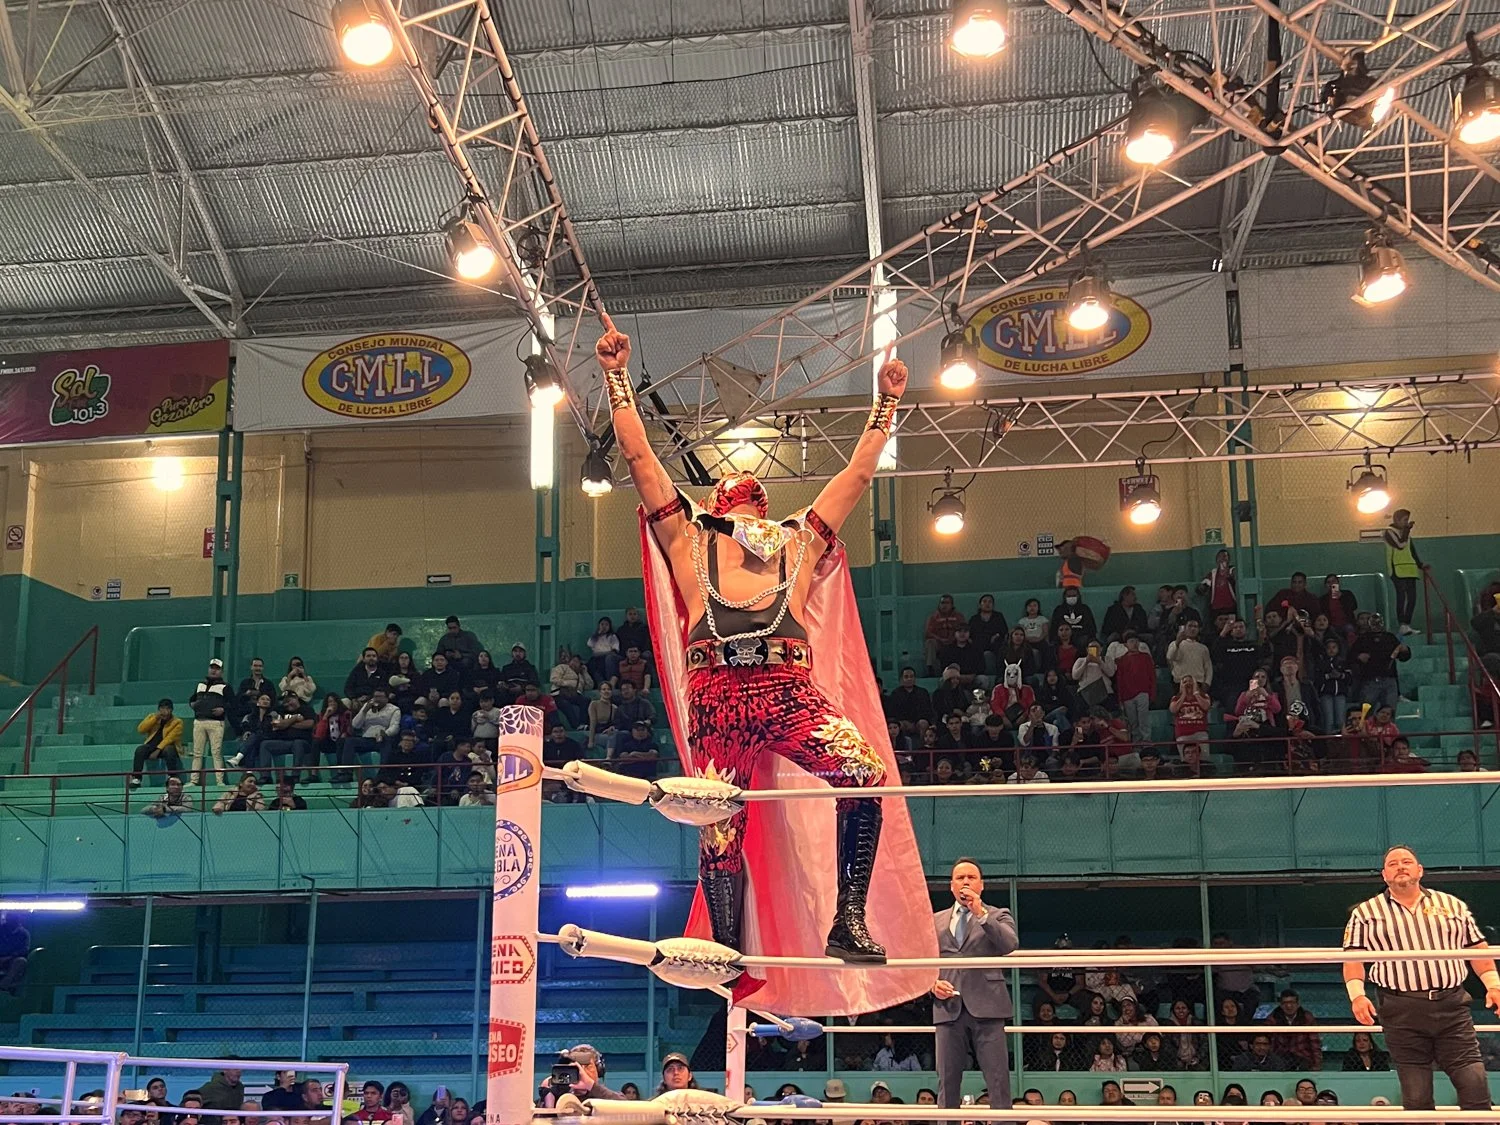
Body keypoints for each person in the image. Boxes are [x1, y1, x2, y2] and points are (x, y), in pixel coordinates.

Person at [602, 322, 931, 1014]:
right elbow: (637, 457)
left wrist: (886, 403)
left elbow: (858, 474)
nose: (742, 493)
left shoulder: (798, 541)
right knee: (719, 824)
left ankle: (848, 918)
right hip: (720, 694)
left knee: (863, 771)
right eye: (733, 492)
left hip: (786, 690)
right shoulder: (688, 538)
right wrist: (616, 378)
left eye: (751, 493)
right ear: (718, 506)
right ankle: (728, 953)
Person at [1343, 844, 1499, 1112]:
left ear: (1420, 870)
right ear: (1384, 875)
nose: (1400, 867)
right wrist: (1357, 996)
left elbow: (1477, 948)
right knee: (1416, 1097)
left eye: (1406, 861)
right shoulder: (1365, 912)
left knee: (1474, 1083)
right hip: (1401, 1010)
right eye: (1393, 864)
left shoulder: (1452, 905)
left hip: (1451, 1006)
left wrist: (1494, 986)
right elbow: (1353, 958)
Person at [932, 858, 1017, 1109]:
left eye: (971, 877)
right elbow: (921, 961)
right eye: (960, 878)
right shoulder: (935, 920)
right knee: (947, 1082)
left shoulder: (998, 914)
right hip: (948, 1007)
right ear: (951, 886)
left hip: (988, 1006)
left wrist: (981, 913)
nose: (966, 882)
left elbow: (1009, 944)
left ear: (981, 885)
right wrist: (932, 984)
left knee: (998, 1080)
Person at [1383, 509, 1428, 635]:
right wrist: (1407, 531)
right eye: (1404, 520)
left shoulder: (1406, 534)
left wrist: (1420, 564)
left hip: (1410, 569)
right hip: (1397, 569)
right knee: (1401, 597)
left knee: (1412, 598)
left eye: (1407, 520)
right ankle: (1402, 624)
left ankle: (1407, 624)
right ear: (1397, 519)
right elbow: (1400, 545)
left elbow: (1411, 550)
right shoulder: (1389, 532)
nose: (1406, 523)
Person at [188, 658, 230, 786]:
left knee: (216, 753)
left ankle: (220, 781)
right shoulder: (200, 685)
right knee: (197, 753)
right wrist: (193, 704)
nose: (214, 670)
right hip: (199, 721)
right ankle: (193, 781)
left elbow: (233, 704)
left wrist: (223, 709)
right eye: (212, 668)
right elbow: (191, 699)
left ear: (221, 671)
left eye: (217, 669)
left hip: (216, 723)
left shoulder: (225, 687)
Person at [129, 698, 184, 787]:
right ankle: (137, 778)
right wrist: (155, 718)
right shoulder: (152, 717)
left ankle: (172, 777)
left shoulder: (177, 722)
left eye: (167, 709)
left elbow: (169, 739)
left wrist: (157, 750)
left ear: (171, 710)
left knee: (169, 749)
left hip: (167, 748)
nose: (165, 711)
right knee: (140, 750)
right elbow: (141, 730)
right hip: (151, 745)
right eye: (162, 708)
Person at [0, 913, 29, 995]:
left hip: (12, 960)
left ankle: (3, 986)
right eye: (9, 920)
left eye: (13, 920)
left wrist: (9, 957)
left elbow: (24, 950)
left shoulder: (23, 934)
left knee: (21, 961)